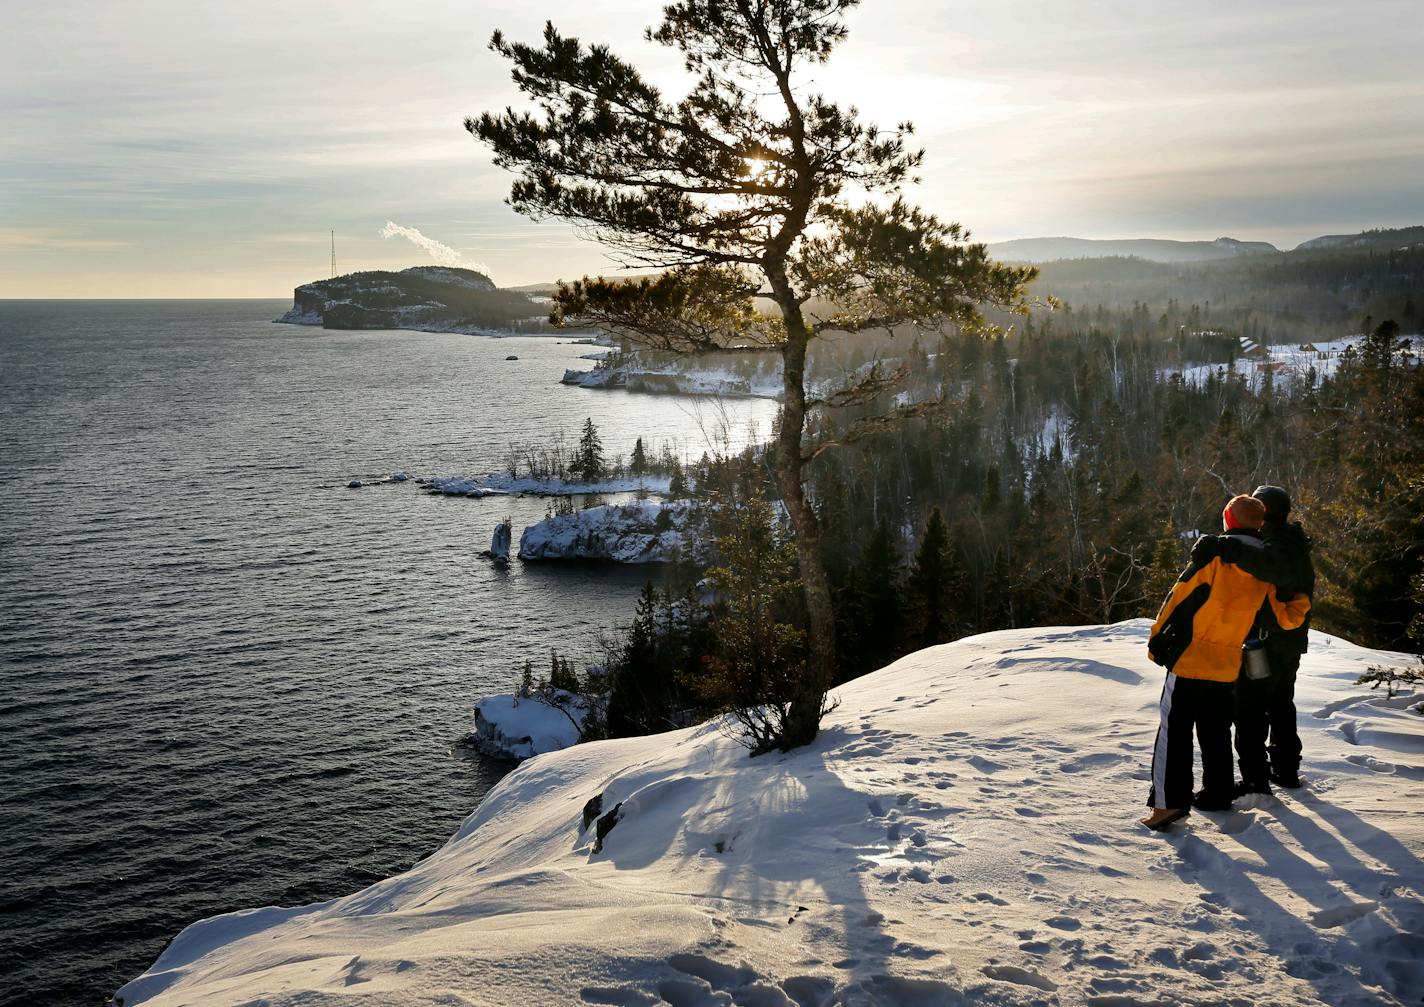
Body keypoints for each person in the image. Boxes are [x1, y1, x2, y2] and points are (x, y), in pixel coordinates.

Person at [1141, 494, 1310, 831]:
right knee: (1215, 730)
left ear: (1227, 519)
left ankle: (1168, 804)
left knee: (1174, 731)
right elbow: (1287, 618)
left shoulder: (1215, 554)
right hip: (1228, 661)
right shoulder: (1265, 566)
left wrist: (1157, 638)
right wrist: (1301, 598)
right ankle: (1217, 793)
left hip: (1191, 656)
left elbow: (1179, 597)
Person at [1191, 485, 1315, 793]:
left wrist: (1224, 547)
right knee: (1280, 704)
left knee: (1250, 710)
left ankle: (1255, 778)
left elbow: (1273, 571)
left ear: (1265, 513)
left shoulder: (1277, 547)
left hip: (1268, 643)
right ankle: (1285, 768)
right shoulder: (1290, 541)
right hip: (1289, 641)